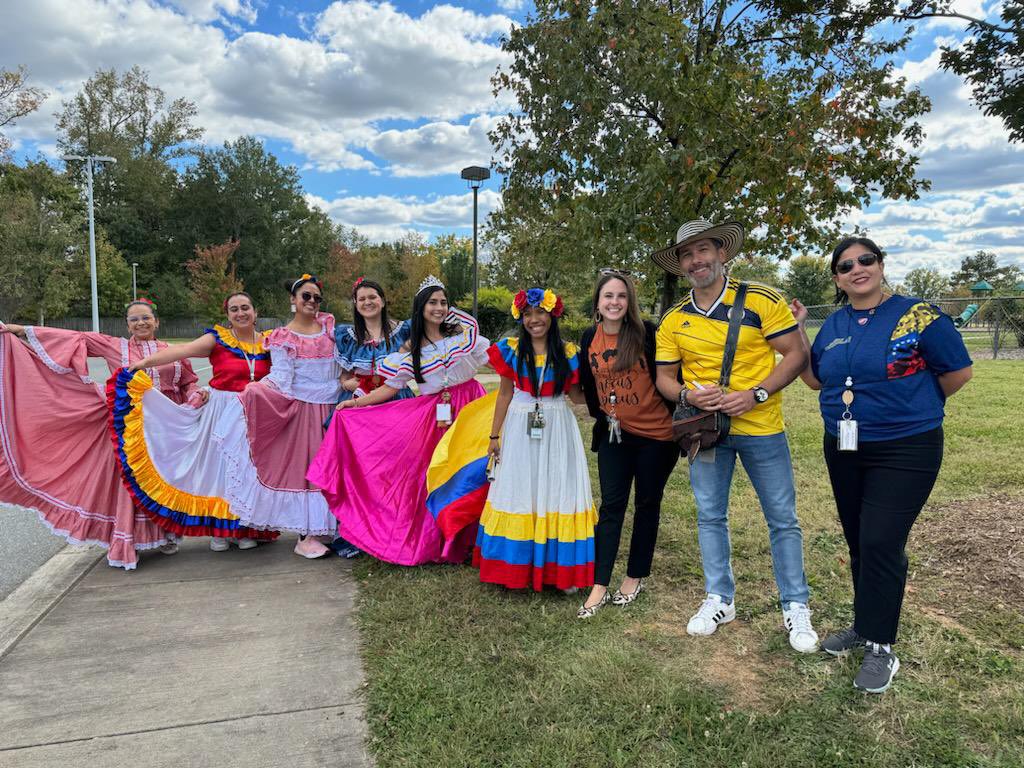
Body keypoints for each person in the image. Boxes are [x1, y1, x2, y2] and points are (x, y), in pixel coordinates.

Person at [791, 236, 972, 692]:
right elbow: (814, 380)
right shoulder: (833, 324)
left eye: (865, 260)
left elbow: (958, 373)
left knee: (880, 539)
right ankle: (864, 624)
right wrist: (797, 329)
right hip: (845, 445)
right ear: (837, 278)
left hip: (906, 448)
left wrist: (910, 409)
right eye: (846, 265)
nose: (857, 269)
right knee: (858, 540)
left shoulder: (920, 315)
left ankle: (882, 648)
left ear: (881, 264)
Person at [652, 218, 819, 653]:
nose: (696, 260)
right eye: (687, 254)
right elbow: (665, 379)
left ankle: (795, 604)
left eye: (703, 250)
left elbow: (796, 353)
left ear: (722, 253)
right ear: (681, 264)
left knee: (782, 517)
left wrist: (756, 393)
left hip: (761, 427)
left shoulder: (761, 299)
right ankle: (719, 598)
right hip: (706, 433)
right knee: (710, 515)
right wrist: (689, 394)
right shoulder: (673, 320)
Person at [0, 299, 201, 568]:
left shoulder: (175, 351)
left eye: (145, 318)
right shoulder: (115, 346)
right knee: (130, 483)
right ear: (127, 324)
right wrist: (20, 330)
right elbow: (75, 338)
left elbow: (188, 382)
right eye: (134, 319)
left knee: (167, 479)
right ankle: (128, 539)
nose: (141, 323)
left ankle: (167, 533)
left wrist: (194, 400)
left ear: (157, 321)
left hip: (168, 428)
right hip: (131, 427)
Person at [308, 276, 489, 565]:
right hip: (435, 416)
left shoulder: (461, 335)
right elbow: (389, 388)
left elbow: (494, 360)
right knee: (438, 475)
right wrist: (354, 403)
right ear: (421, 307)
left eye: (443, 302)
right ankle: (445, 538)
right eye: (432, 302)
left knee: (474, 470)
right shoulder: (408, 348)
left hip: (470, 407)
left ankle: (476, 538)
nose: (439, 308)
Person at [114, 291, 277, 551]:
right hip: (223, 411)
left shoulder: (270, 342)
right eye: (234, 309)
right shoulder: (218, 339)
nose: (240, 313)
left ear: (255, 312)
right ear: (228, 316)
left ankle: (247, 527)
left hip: (257, 412)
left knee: (249, 471)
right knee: (221, 471)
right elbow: (181, 350)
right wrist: (144, 363)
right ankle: (220, 531)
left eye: (245, 307)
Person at [475, 288, 595, 595]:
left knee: (558, 488)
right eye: (527, 314)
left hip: (556, 424)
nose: (534, 319)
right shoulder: (511, 350)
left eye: (539, 312)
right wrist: (494, 435)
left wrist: (607, 403)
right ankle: (515, 568)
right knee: (520, 489)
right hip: (519, 421)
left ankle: (559, 571)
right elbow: (503, 393)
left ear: (552, 314)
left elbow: (576, 395)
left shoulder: (568, 353)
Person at [576, 271, 678, 617]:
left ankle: (634, 577)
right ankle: (599, 584)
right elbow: (588, 384)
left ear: (629, 301)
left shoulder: (647, 333)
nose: (615, 302)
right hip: (614, 434)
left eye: (621, 296)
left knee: (647, 504)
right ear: (598, 302)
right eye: (608, 296)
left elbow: (669, 376)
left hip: (657, 436)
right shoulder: (589, 336)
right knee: (611, 506)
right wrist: (602, 415)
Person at [225, 275, 340, 558]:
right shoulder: (284, 337)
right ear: (293, 300)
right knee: (309, 471)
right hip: (306, 412)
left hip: (335, 409)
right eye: (305, 296)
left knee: (334, 468)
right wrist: (257, 391)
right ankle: (305, 537)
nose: (312, 302)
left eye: (316, 297)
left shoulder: (330, 328)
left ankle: (329, 527)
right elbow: (282, 378)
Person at [334, 277, 414, 406]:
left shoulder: (403, 331)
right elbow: (345, 374)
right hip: (358, 399)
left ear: (382, 301)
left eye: (372, 297)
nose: (367, 302)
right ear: (356, 305)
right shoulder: (347, 336)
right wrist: (346, 383)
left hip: (396, 399)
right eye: (362, 299)